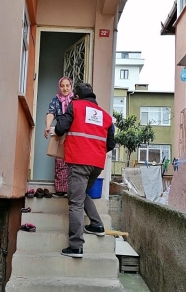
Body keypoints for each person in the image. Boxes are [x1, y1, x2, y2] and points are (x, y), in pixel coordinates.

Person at [54, 82, 115, 258]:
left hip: (79, 161)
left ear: (77, 96)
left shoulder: (75, 106)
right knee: (82, 194)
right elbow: (110, 144)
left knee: (75, 202)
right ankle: (96, 224)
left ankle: (76, 246)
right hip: (96, 164)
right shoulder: (105, 116)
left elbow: (59, 129)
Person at [44, 76, 74, 197]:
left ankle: (71, 190)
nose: (65, 88)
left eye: (67, 86)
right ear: (59, 87)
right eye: (62, 86)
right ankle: (61, 190)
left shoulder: (76, 100)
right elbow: (51, 113)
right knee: (60, 160)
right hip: (60, 131)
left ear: (71, 87)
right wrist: (48, 125)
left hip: (73, 133)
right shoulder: (56, 100)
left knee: (73, 161)